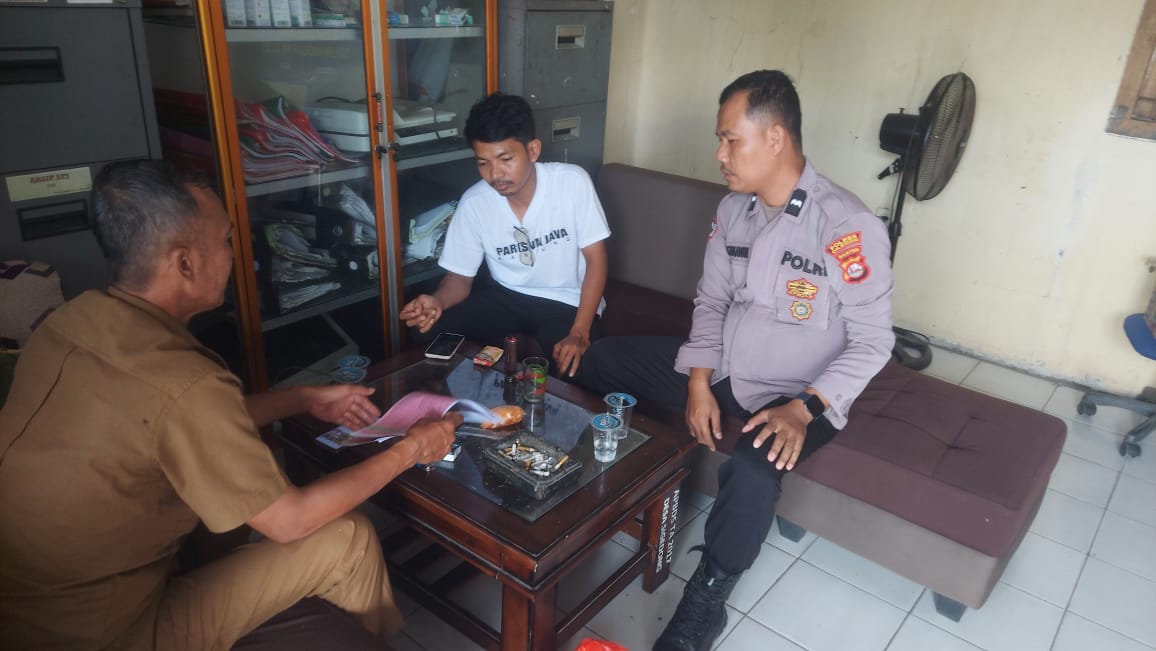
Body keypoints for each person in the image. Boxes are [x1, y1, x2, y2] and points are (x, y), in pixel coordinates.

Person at [0, 160, 460, 650]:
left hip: (24, 607)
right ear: (184, 263)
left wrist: (302, 398)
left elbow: (167, 420)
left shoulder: (69, 322)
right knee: (349, 537)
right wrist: (412, 449)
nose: (234, 253)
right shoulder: (186, 382)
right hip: (102, 632)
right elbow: (290, 519)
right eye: (224, 240)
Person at [574, 70, 895, 651]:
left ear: (775, 138)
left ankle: (706, 600)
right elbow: (712, 300)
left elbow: (874, 341)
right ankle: (601, 490)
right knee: (601, 361)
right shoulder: (732, 211)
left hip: (799, 393)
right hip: (723, 371)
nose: (719, 155)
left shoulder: (847, 227)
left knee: (753, 470)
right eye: (719, 141)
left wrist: (806, 408)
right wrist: (698, 381)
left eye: (730, 140)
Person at [399, 92, 610, 377]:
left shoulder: (572, 183)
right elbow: (459, 278)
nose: (495, 174)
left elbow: (596, 260)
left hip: (566, 300)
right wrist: (438, 301)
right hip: (508, 295)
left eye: (505, 159)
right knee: (428, 332)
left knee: (575, 365)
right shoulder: (474, 202)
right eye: (483, 163)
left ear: (533, 151)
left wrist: (579, 332)